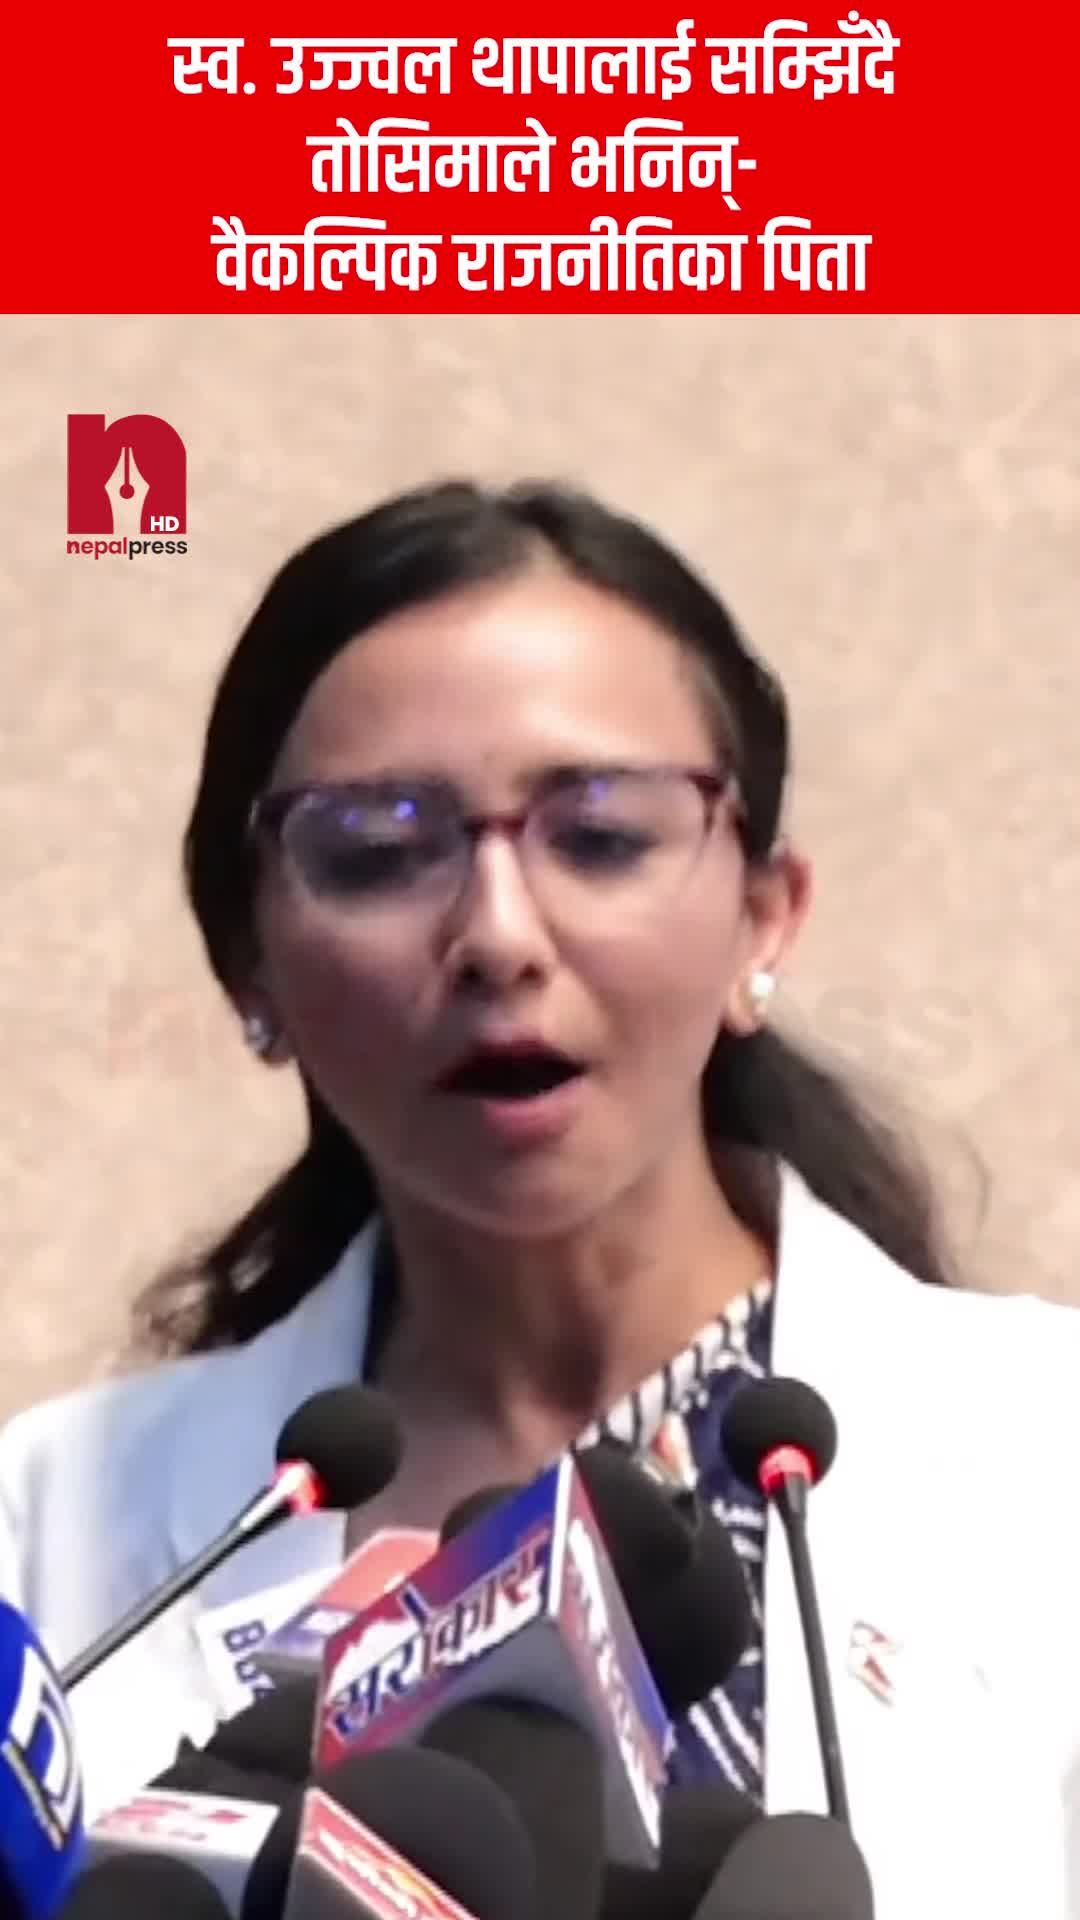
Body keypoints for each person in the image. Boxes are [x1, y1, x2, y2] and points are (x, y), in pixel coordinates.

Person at [2, 480, 1079, 1917]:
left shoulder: (1047, 1457)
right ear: (248, 963)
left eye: (603, 834)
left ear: (764, 918)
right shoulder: (52, 1522)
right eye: (377, 850)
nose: (499, 936)